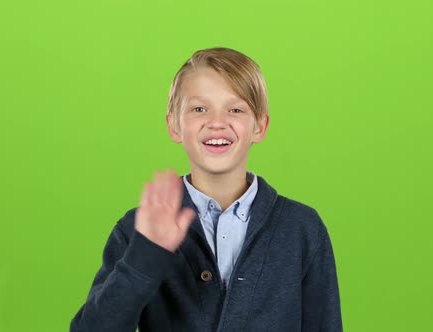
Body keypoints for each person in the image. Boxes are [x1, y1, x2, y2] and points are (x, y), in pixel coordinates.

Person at [70, 47, 343, 331]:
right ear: (174, 125)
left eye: (235, 109)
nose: (216, 122)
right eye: (199, 109)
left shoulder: (302, 228)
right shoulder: (138, 228)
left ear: (259, 127)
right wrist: (145, 255)